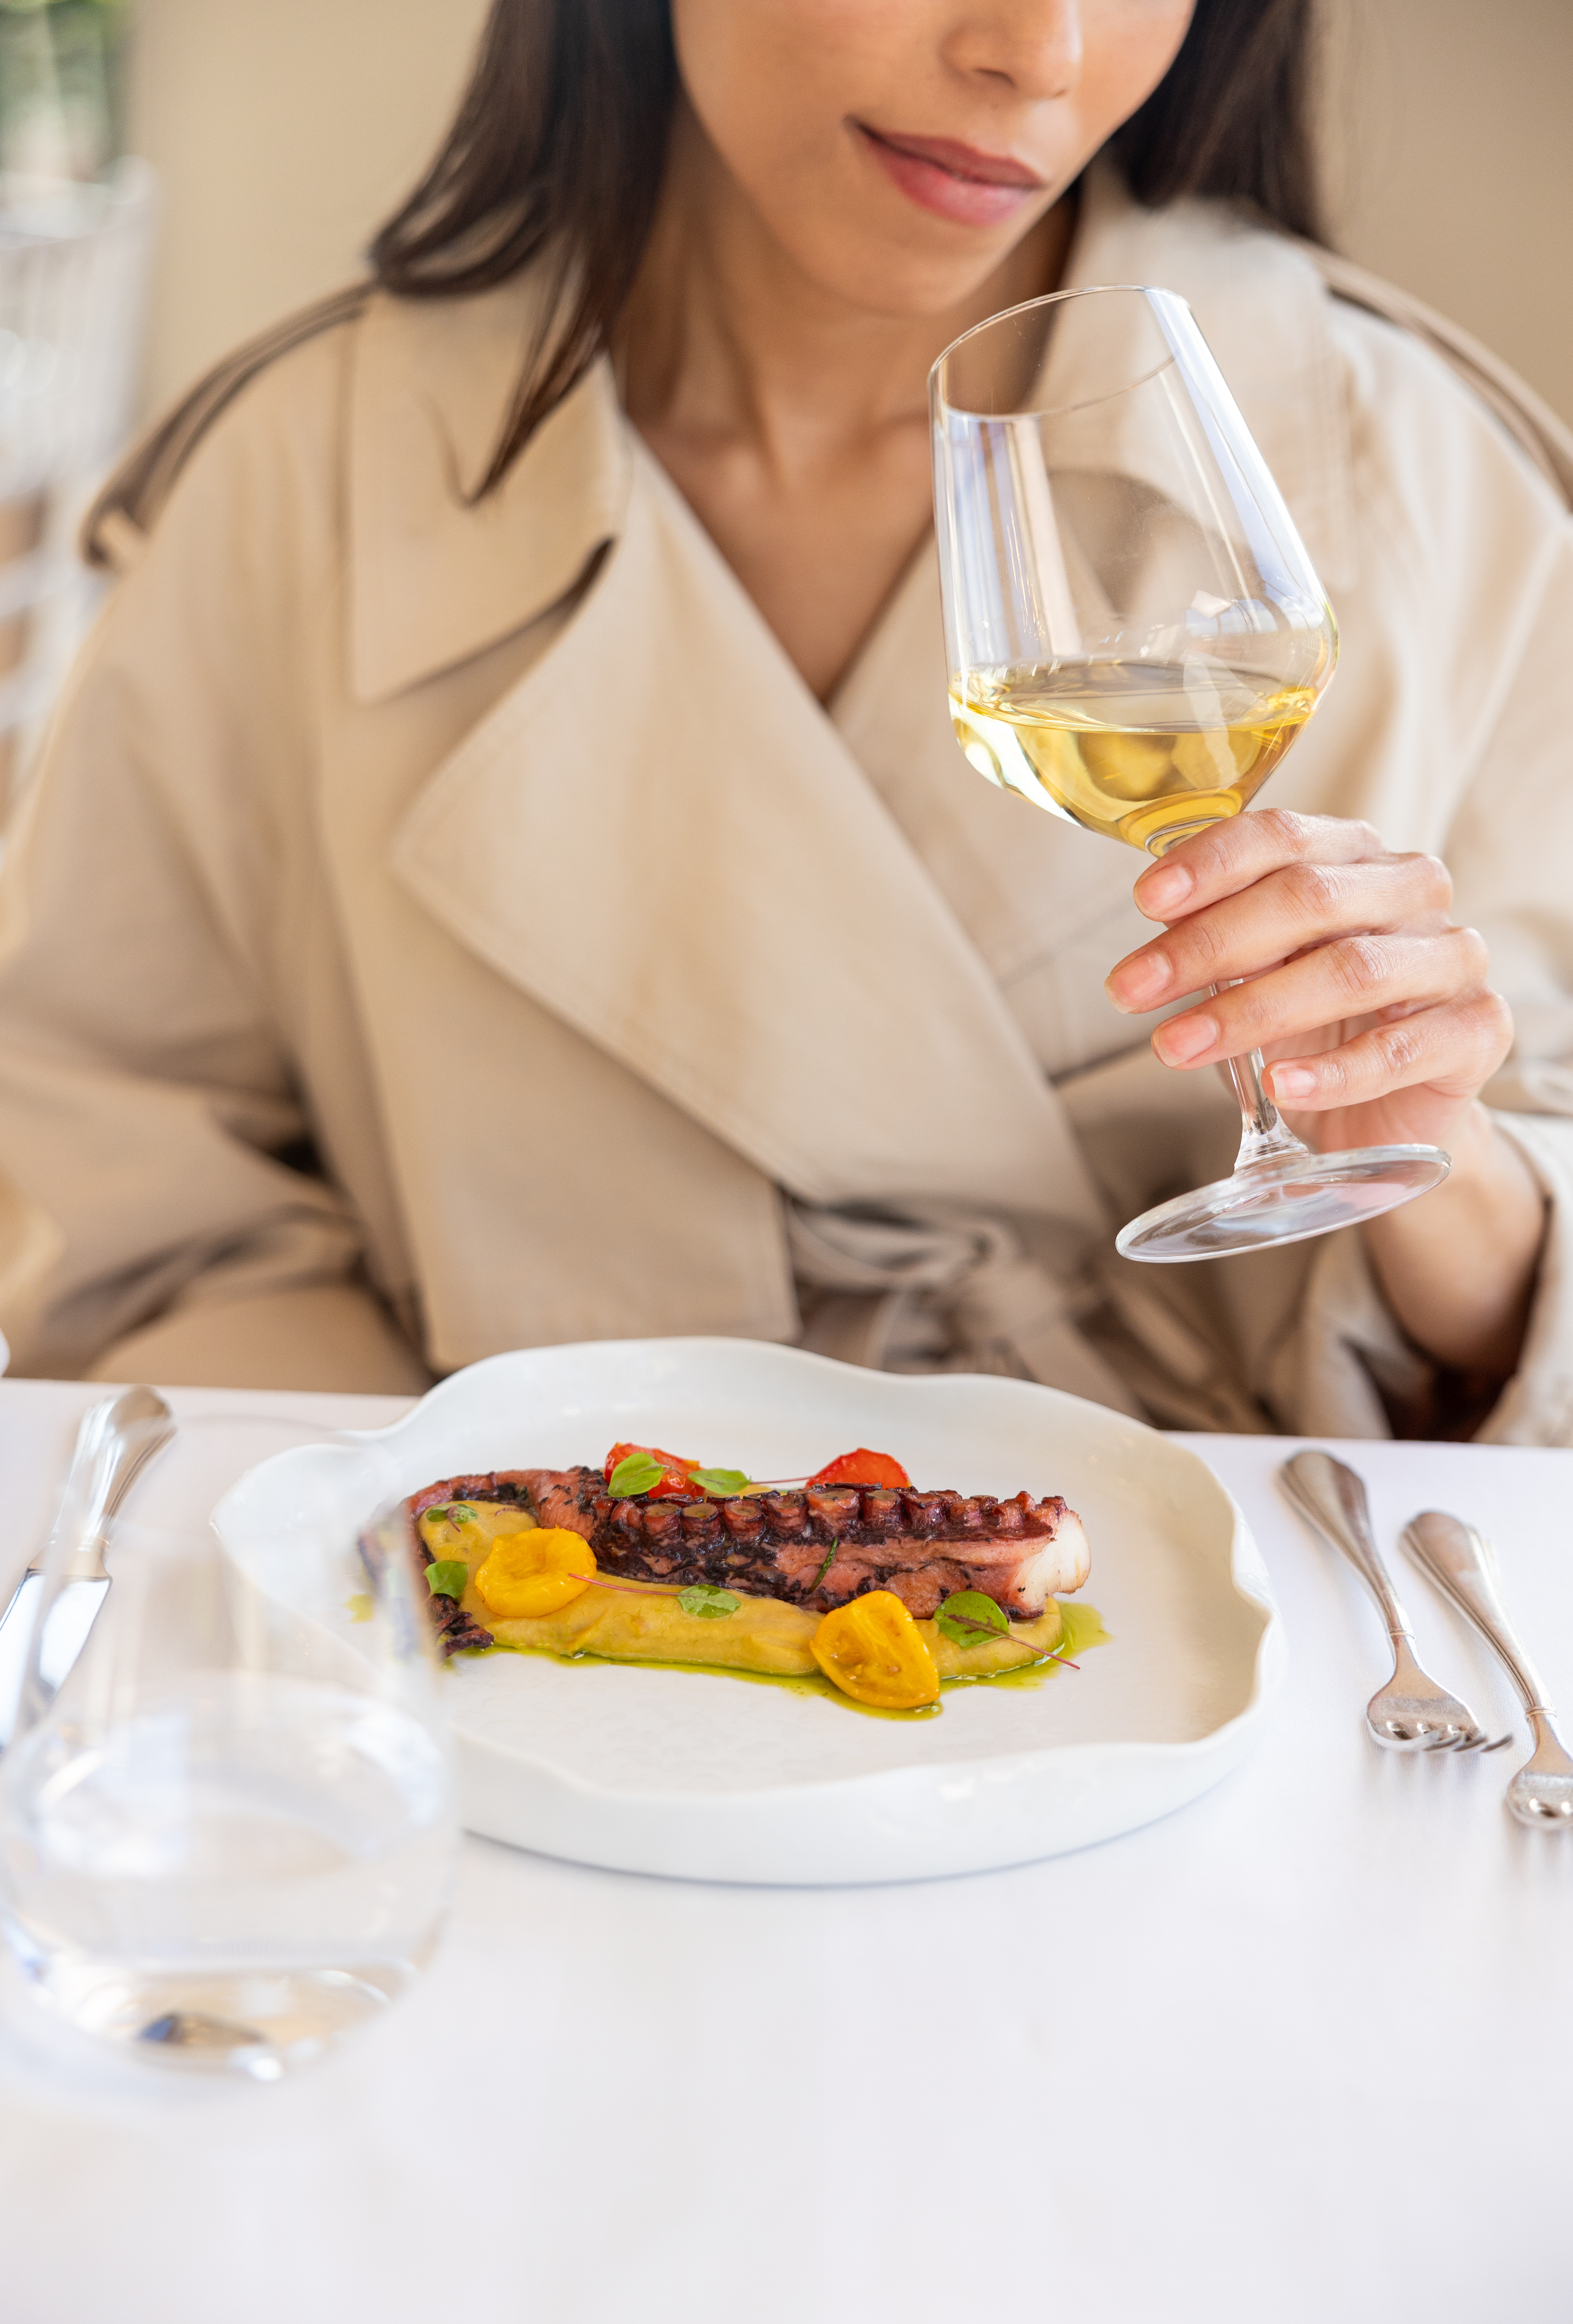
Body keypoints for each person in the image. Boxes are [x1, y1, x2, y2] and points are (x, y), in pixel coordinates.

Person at [0, 0, 1569, 1443]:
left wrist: (1437, 1163)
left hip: (1251, 1665)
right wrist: (458, 1554)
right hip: (520, 1649)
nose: (1038, 49)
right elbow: (123, 1225)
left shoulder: (1427, 475)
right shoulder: (297, 481)